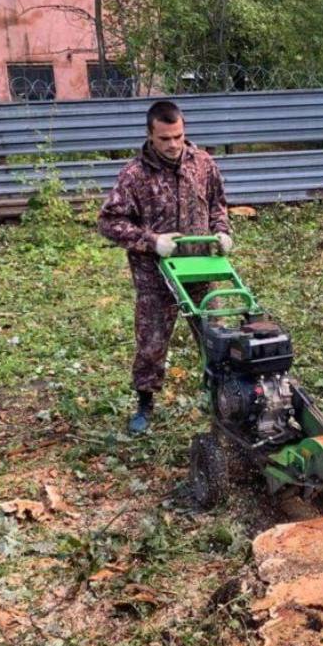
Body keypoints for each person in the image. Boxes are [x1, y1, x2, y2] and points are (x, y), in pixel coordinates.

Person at [98, 100, 233, 434]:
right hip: (156, 277)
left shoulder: (202, 164)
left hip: (200, 270)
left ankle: (224, 398)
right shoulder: (134, 175)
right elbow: (109, 221)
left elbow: (218, 203)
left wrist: (222, 232)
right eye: (165, 139)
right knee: (151, 344)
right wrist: (151, 240)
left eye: (179, 136)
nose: (173, 145)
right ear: (150, 135)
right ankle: (145, 403)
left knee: (216, 336)